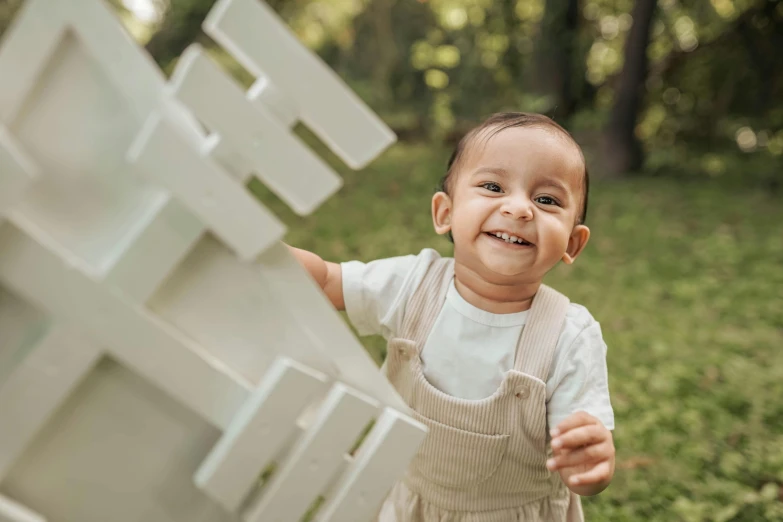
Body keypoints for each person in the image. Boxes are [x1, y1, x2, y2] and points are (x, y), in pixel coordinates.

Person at [290, 112, 615, 521]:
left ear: (572, 241)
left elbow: (581, 447)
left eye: (546, 199)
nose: (518, 209)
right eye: (493, 186)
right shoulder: (411, 284)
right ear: (445, 212)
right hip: (412, 504)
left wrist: (589, 466)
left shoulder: (569, 335)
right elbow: (325, 280)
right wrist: (255, 248)